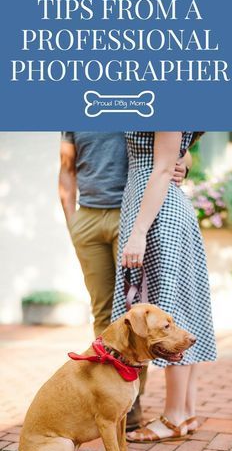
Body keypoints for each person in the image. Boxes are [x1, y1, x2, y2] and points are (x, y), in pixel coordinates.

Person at [59, 132, 191, 430]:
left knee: (134, 314)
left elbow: (179, 146)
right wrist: (73, 223)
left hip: (130, 214)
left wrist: (185, 163)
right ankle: (108, 390)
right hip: (88, 219)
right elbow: (66, 169)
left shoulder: (136, 104)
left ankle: (131, 402)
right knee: (103, 312)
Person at [112, 132, 217, 442]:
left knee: (172, 312)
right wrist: (181, 160)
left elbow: (160, 168)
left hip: (156, 210)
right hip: (156, 202)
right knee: (182, 305)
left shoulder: (166, 91)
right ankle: (186, 412)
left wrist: (138, 232)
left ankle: (173, 417)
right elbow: (180, 151)